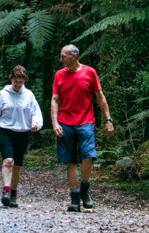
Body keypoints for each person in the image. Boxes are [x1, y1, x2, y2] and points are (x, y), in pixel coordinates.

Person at [51, 44, 114, 212]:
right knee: (71, 160)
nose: (61, 59)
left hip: (86, 121)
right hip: (65, 122)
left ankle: (85, 191)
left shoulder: (90, 72)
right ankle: (74, 198)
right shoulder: (59, 75)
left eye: (63, 56)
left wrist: (108, 119)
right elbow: (55, 99)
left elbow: (100, 97)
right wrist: (55, 122)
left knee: (88, 155)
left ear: (74, 56)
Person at [0, 65, 43, 208]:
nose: (18, 84)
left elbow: (36, 113)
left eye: (21, 82)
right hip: (6, 131)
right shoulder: (3, 94)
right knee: (8, 161)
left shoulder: (29, 95)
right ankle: (5, 191)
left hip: (23, 133)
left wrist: (36, 124)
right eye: (16, 81)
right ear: (11, 79)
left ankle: (13, 194)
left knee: (17, 165)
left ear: (24, 81)